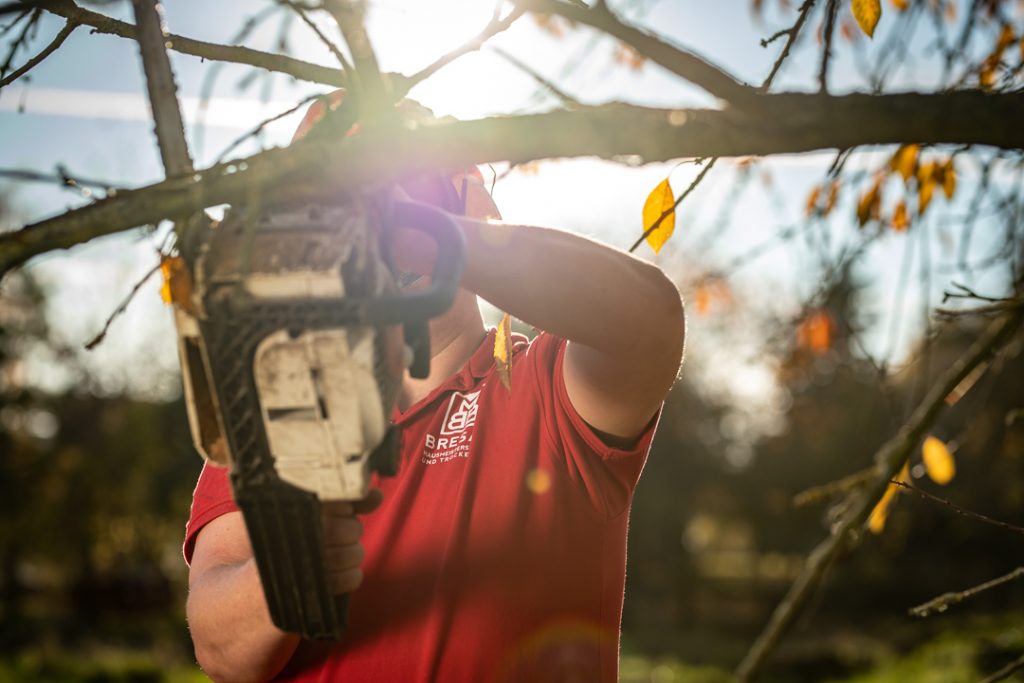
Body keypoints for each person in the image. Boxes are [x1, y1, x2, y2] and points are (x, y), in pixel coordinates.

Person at [183, 95, 685, 683]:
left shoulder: (547, 390)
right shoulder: (272, 416)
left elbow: (649, 321)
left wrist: (421, 236)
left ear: (472, 195)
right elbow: (221, 651)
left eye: (402, 180)